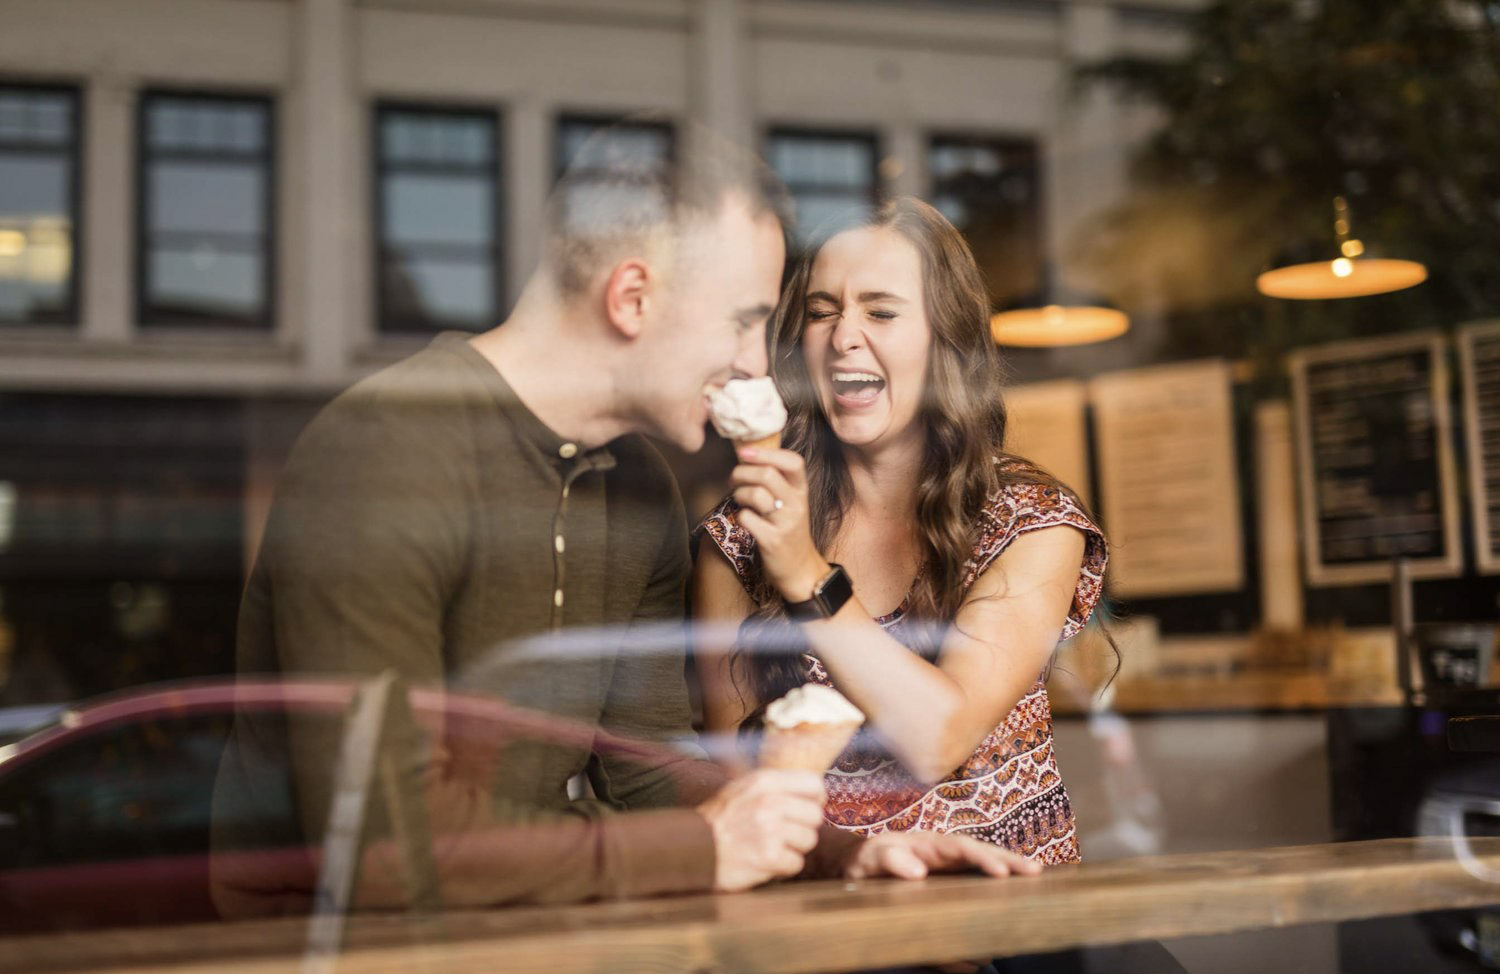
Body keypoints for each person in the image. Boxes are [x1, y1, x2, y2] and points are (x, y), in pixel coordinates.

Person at [211, 127, 1038, 919]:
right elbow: (381, 850)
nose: (761, 363)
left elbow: (648, 773)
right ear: (633, 297)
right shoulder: (386, 450)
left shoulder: (639, 483)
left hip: (532, 940)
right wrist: (703, 852)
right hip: (337, 965)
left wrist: (839, 853)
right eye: (746, 320)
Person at [692, 198, 1208, 974]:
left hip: (1026, 914)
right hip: (831, 921)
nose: (844, 335)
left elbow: (939, 735)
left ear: (946, 342)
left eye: (882, 310)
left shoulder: (1031, 520)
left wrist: (807, 578)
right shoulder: (737, 536)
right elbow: (735, 776)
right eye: (822, 311)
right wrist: (864, 891)